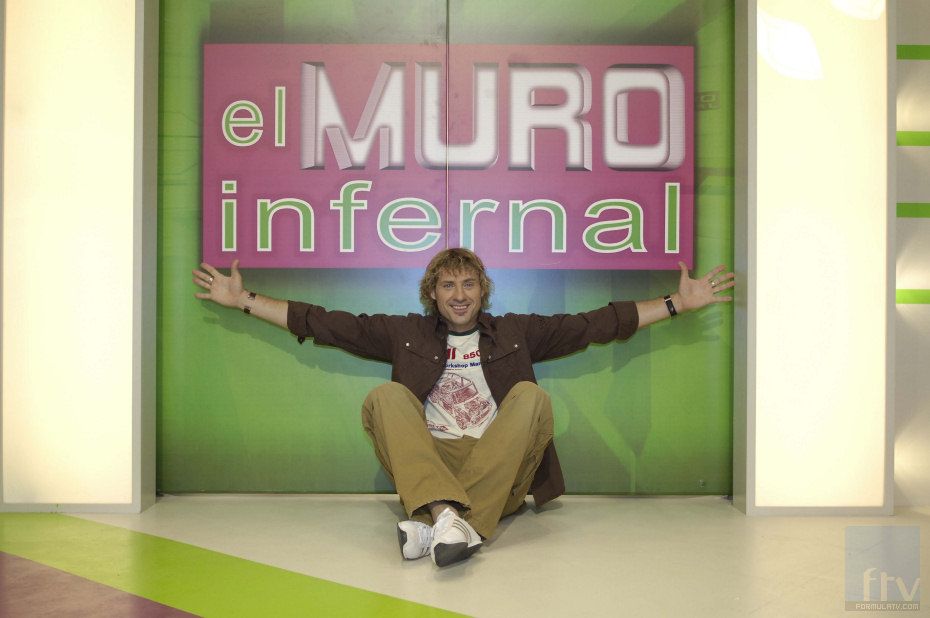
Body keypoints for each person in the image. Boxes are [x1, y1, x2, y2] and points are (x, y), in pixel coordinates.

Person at [193, 248, 734, 567]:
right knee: (384, 396)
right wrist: (242, 299)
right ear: (432, 294)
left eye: (468, 284)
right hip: (433, 461)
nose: (459, 294)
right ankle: (451, 520)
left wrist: (676, 303)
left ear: (482, 291)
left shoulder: (517, 332)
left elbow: (596, 324)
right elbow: (324, 323)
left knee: (532, 397)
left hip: (499, 465)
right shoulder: (404, 333)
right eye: (447, 285)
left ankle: (436, 520)